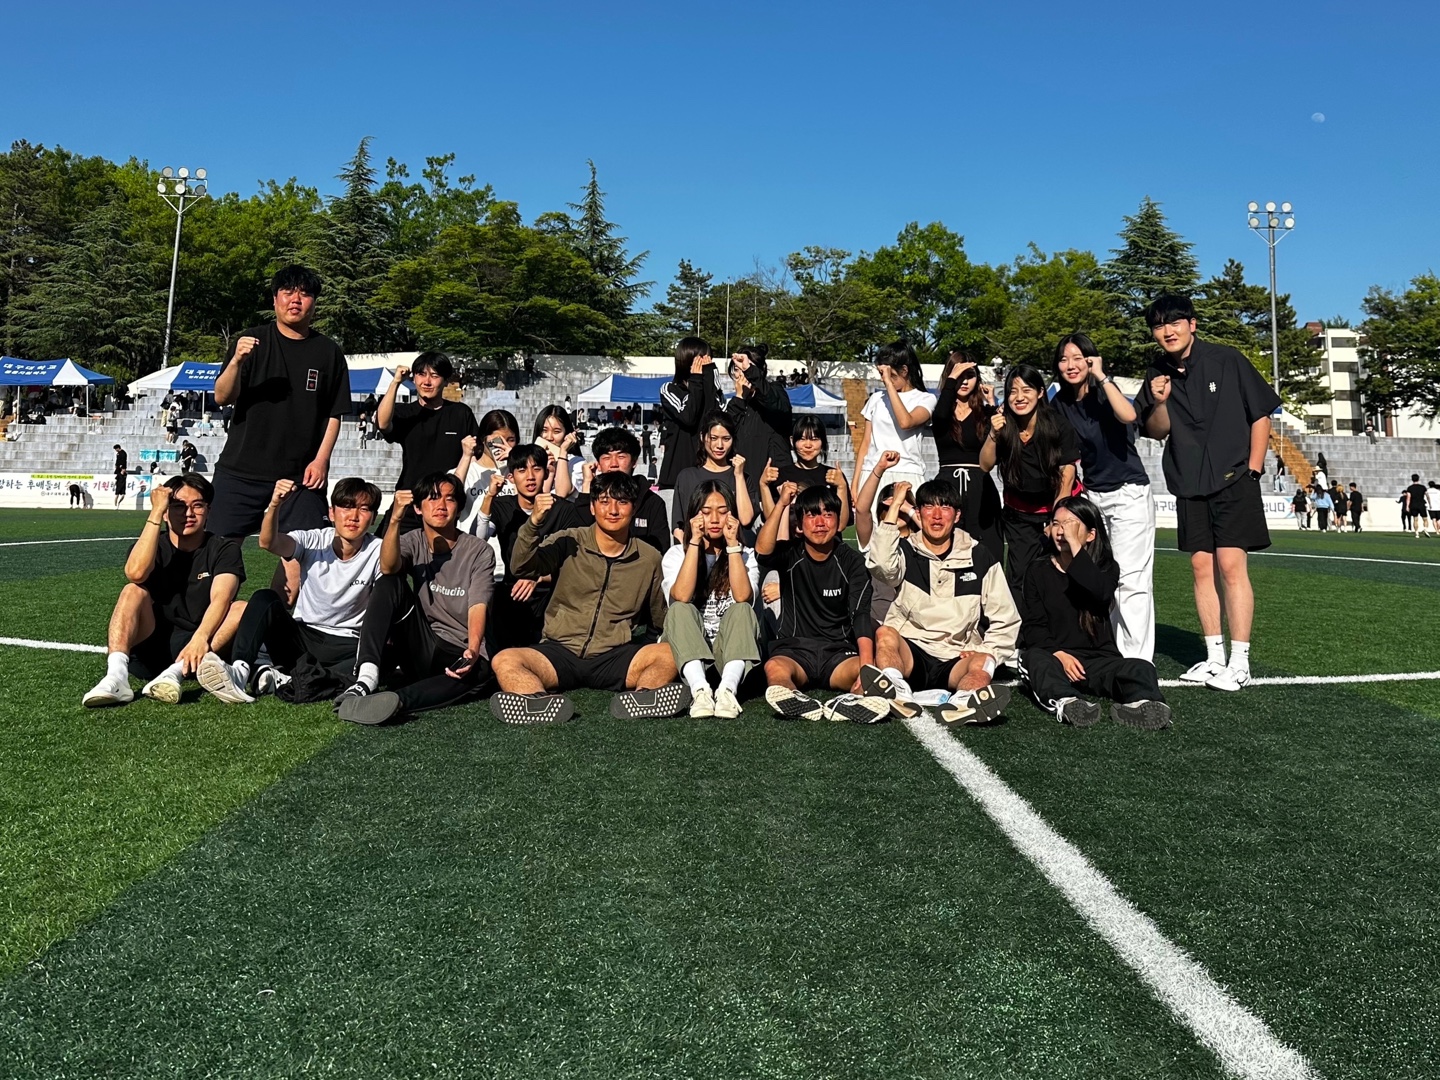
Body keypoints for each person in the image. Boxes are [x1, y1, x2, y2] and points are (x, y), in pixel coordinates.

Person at [1133, 294, 1281, 692]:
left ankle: (1240, 661)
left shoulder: (1226, 359)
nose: (1168, 331)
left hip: (1234, 479)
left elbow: (1261, 414)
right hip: (1189, 483)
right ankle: (1214, 658)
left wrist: (1253, 470)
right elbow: (1156, 430)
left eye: (1175, 322)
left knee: (1231, 567)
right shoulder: (1156, 373)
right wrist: (1159, 401)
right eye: (1159, 326)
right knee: (1201, 568)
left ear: (1192, 324)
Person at [489, 472, 681, 725]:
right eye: (604, 501)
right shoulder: (569, 540)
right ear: (592, 507)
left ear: (634, 508)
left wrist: (645, 651)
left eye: (622, 502)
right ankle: (536, 701)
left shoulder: (649, 557)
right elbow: (522, 567)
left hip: (614, 656)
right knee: (505, 659)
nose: (613, 510)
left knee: (670, 653)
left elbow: (658, 616)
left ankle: (644, 696)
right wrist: (533, 524)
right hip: (559, 651)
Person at [199, 477, 384, 704]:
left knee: (380, 659)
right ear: (332, 512)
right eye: (346, 506)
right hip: (303, 638)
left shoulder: (379, 549)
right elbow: (268, 542)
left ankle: (282, 677)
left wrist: (395, 520)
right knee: (264, 598)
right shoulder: (314, 539)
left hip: (347, 644)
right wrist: (275, 504)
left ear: (373, 517)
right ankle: (240, 671)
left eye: (364, 509)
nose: (353, 516)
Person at [334, 472, 496, 725]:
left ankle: (394, 701)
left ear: (458, 507)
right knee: (389, 582)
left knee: (482, 670)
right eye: (432, 498)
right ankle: (366, 677)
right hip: (421, 643)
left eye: (450, 499)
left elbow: (478, 604)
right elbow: (388, 567)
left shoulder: (478, 550)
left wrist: (473, 649)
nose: (441, 505)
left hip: (457, 648)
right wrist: (395, 519)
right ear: (418, 508)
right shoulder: (412, 541)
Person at [861, 479, 1020, 726]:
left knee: (985, 660)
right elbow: (880, 565)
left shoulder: (979, 556)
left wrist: (987, 649)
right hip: (912, 652)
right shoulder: (905, 551)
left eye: (945, 507)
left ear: (957, 515)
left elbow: (1006, 619)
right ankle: (895, 690)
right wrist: (895, 506)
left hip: (956, 654)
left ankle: (965, 702)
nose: (936, 515)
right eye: (928, 507)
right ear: (918, 513)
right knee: (885, 633)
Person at [209, 265, 351, 537]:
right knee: (219, 550)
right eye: (288, 292)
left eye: (305, 294)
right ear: (275, 299)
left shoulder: (329, 352)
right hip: (241, 470)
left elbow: (335, 413)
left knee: (306, 551)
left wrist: (321, 460)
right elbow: (222, 397)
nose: (296, 300)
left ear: (314, 303)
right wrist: (237, 361)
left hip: (301, 476)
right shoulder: (251, 341)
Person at [82, 474, 246, 707]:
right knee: (132, 590)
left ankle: (174, 673)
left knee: (241, 608)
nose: (188, 514)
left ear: (208, 510)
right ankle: (116, 677)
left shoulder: (223, 548)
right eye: (178, 506)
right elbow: (135, 573)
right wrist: (156, 512)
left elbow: (222, 598)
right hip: (151, 647)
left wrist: (200, 638)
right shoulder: (153, 545)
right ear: (166, 512)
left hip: (197, 647)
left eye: (197, 506)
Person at [1021, 497, 1171, 728]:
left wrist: (1075, 546)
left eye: (1070, 525)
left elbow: (1099, 593)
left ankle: (1145, 706)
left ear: (1091, 535)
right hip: (1056, 658)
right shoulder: (1037, 570)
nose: (1061, 531)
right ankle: (1069, 703)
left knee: (1141, 666)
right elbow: (1033, 626)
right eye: (1056, 523)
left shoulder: (1107, 568)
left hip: (1097, 660)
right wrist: (1059, 654)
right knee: (1033, 658)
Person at [1051, 333, 1156, 661]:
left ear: (1091, 360)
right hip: (1093, 496)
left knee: (1131, 580)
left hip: (1128, 492)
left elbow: (1129, 416)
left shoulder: (1105, 392)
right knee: (1098, 575)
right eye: (1064, 359)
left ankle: (1136, 662)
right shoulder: (1059, 404)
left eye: (1078, 358)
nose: (1071, 365)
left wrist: (1102, 376)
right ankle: (1109, 651)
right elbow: (1064, 460)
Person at [757, 482, 889, 724]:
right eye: (812, 515)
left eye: (828, 514)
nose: (820, 522)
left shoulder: (852, 562)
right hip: (795, 651)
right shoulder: (790, 554)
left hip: (838, 653)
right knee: (774, 668)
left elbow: (860, 614)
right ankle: (793, 697)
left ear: (838, 522)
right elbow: (762, 552)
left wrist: (866, 669)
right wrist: (782, 504)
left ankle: (851, 702)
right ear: (799, 525)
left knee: (872, 672)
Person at [980, 363, 1081, 598]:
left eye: (1026, 390)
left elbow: (1067, 476)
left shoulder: (1058, 425)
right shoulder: (1002, 424)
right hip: (1019, 514)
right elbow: (985, 464)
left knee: (1060, 573)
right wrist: (993, 434)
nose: (1019, 397)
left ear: (1040, 392)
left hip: (1056, 507)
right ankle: (1021, 622)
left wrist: (1057, 521)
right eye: (1013, 391)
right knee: (1019, 578)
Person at [663, 482, 762, 718]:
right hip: (689, 653)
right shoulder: (676, 555)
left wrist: (733, 546)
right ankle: (701, 692)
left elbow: (743, 597)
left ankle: (727, 691)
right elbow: (682, 596)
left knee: (742, 610)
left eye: (723, 511)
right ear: (693, 516)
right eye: (706, 512)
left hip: (729, 653)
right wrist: (694, 542)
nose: (715, 519)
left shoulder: (746, 555)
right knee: (679, 609)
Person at [473, 443, 582, 651]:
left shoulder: (564, 510)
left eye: (537, 469)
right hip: (512, 592)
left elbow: (575, 561)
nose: (530, 477)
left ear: (546, 473)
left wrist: (537, 576)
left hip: (553, 592)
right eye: (522, 470)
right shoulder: (503, 506)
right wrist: (489, 497)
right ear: (511, 477)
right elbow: (478, 540)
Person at [376, 351, 481, 534]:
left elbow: (476, 455)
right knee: (385, 548)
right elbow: (382, 423)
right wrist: (395, 382)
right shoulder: (406, 413)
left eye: (434, 375)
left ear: (445, 380)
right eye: (421, 374)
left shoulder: (460, 413)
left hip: (445, 503)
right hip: (409, 499)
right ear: (414, 378)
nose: (427, 381)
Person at [851, 340, 936, 518]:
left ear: (904, 371)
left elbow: (906, 422)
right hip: (873, 472)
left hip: (908, 473)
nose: (884, 379)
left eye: (890, 374)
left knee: (911, 529)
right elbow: (866, 444)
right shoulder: (876, 399)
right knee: (872, 531)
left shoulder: (925, 399)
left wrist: (889, 385)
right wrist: (855, 482)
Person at [931, 350, 1002, 560]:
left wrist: (991, 403)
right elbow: (940, 416)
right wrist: (951, 380)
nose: (964, 381)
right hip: (948, 484)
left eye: (969, 376)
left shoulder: (984, 412)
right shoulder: (942, 411)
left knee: (987, 548)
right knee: (947, 546)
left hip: (980, 485)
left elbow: (996, 441)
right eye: (959, 376)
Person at [575, 427, 670, 552]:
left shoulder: (652, 502)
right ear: (598, 464)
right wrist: (587, 484)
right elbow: (578, 539)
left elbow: (661, 549)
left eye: (621, 456)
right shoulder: (591, 498)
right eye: (607, 457)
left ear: (634, 462)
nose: (614, 464)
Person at [669, 411, 757, 539]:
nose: (720, 445)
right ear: (702, 437)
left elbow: (745, 519)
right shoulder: (687, 477)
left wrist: (739, 476)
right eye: (713, 438)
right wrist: (690, 548)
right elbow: (678, 527)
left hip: (732, 548)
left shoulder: (743, 478)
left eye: (726, 439)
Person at [759, 416, 851, 532]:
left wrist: (842, 487)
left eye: (814, 439)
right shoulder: (779, 476)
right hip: (789, 542)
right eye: (802, 439)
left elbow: (840, 525)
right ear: (792, 441)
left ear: (823, 441)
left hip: (826, 542)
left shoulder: (834, 477)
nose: (808, 445)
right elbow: (771, 522)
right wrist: (763, 485)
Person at [658, 337, 722, 493]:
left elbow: (714, 418)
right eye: (701, 359)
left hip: (708, 475)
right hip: (676, 478)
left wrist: (709, 378)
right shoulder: (670, 389)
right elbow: (688, 417)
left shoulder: (713, 391)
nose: (705, 362)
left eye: (708, 358)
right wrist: (696, 380)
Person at [724, 343, 792, 472]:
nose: (741, 374)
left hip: (773, 474)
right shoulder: (737, 402)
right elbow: (727, 431)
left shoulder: (775, 390)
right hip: (742, 475)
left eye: (745, 369)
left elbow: (774, 402)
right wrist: (739, 398)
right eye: (737, 370)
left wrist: (751, 372)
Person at [456, 409, 521, 535]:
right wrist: (466, 456)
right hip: (472, 543)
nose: (503, 445)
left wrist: (515, 460)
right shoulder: (467, 471)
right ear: (483, 439)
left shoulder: (520, 471)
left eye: (510, 440)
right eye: (497, 440)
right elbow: (451, 493)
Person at [532, 404, 583, 496]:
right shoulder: (528, 460)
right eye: (544, 430)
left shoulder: (577, 463)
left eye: (556, 432)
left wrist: (563, 452)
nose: (549, 437)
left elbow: (562, 494)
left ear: (566, 434)